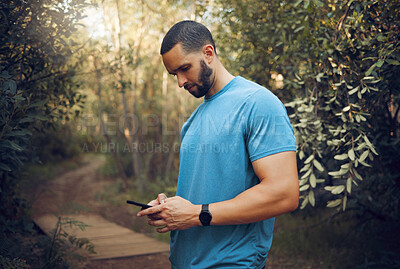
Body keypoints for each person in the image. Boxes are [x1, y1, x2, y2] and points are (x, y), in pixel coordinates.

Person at [137, 20, 299, 269]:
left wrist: (194, 214)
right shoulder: (192, 122)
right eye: (174, 75)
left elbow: (284, 193)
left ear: (208, 53)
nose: (180, 82)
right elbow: (205, 193)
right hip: (182, 263)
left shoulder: (258, 103)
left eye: (184, 68)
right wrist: (170, 208)